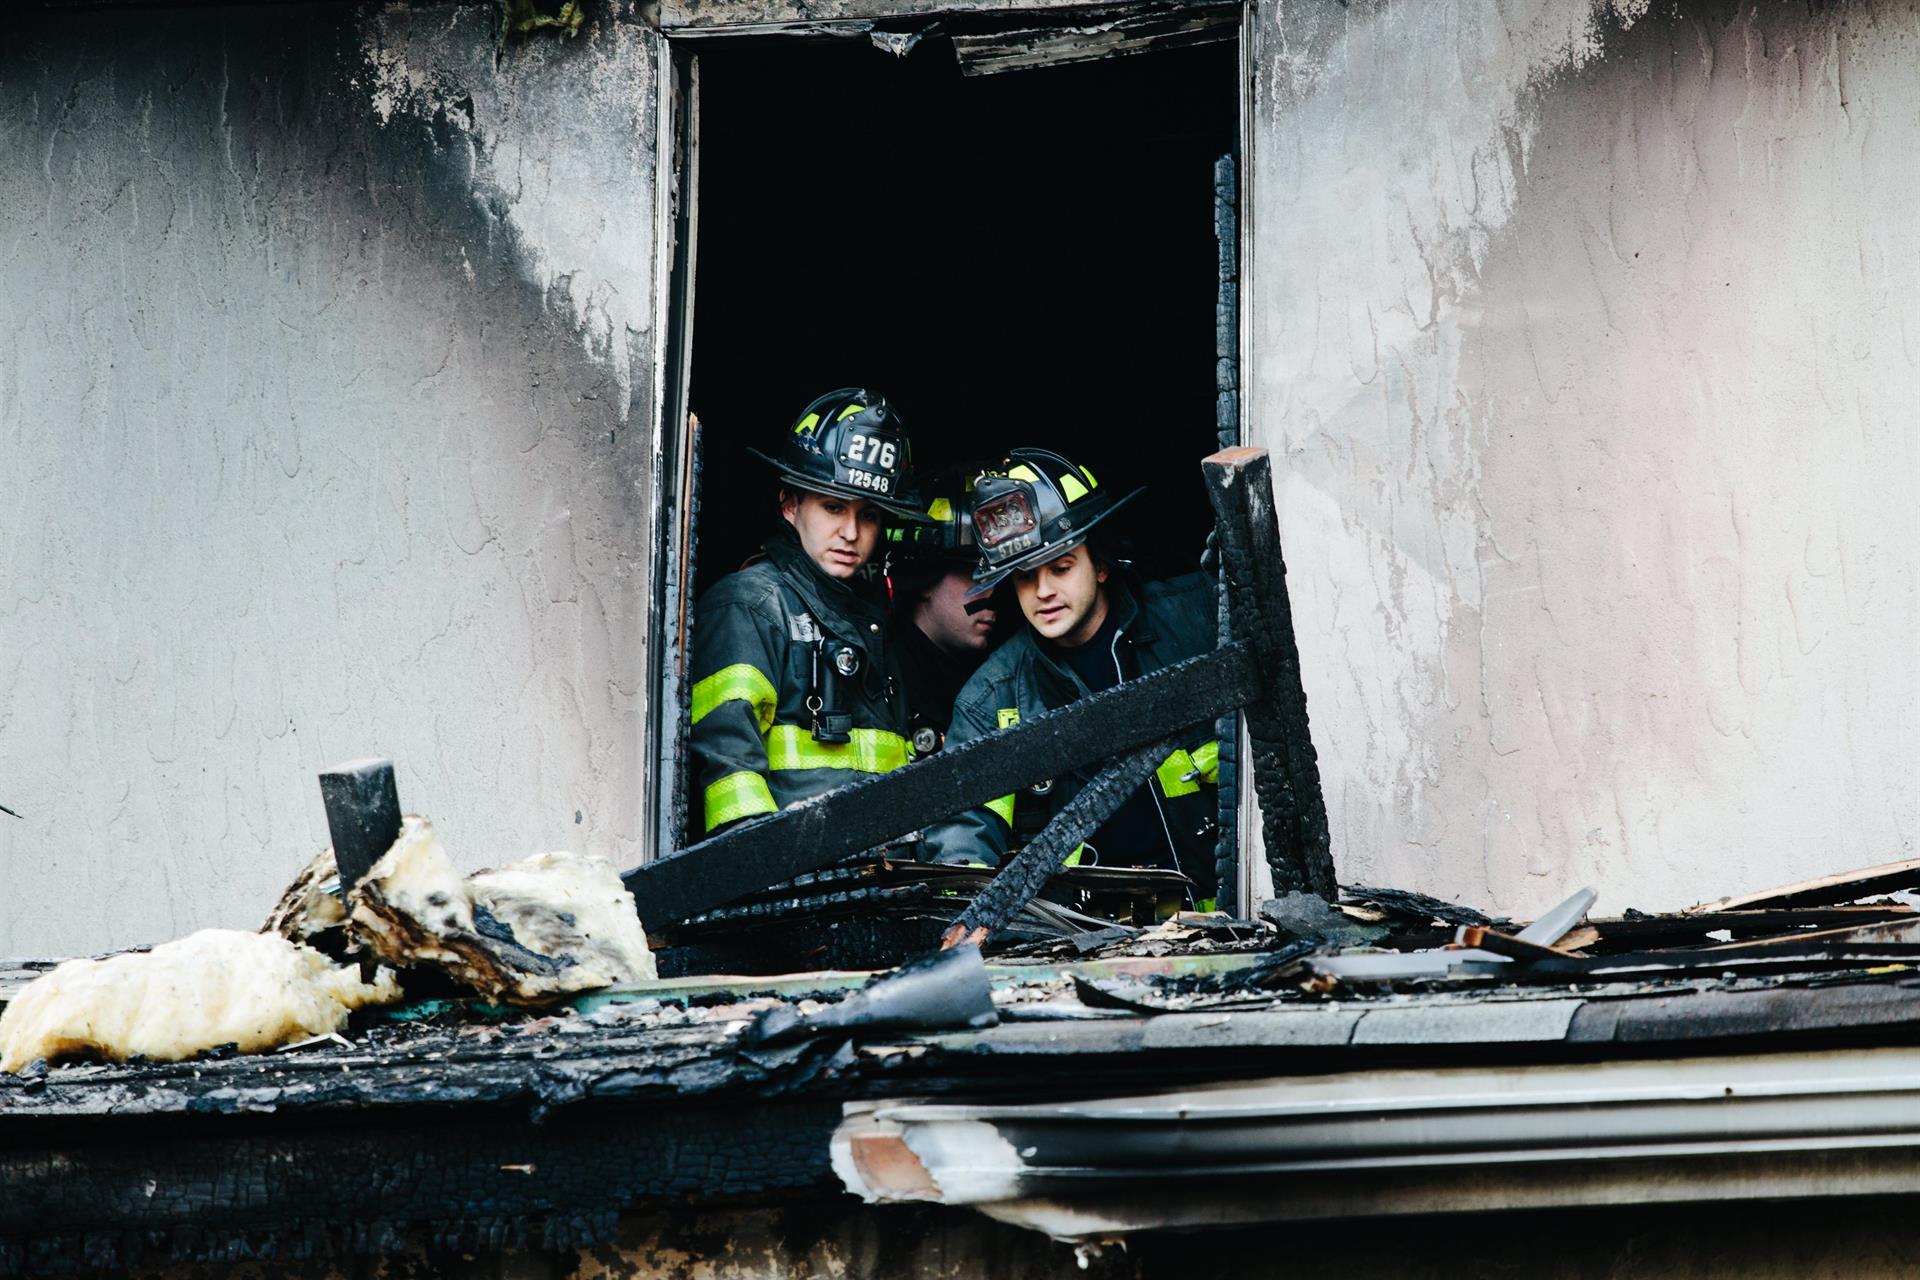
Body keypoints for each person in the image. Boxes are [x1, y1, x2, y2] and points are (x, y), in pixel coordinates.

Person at [921, 448, 1223, 907]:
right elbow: (962, 838)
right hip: (1081, 942)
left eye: (1061, 568)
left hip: (1223, 923)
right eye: (1023, 578)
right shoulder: (991, 699)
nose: (1043, 592)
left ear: (1100, 565)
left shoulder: (1196, 622)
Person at [687, 388, 931, 836]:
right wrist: (758, 877)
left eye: (870, 515)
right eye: (833, 507)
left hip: (876, 885)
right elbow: (729, 768)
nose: (851, 532)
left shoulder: (875, 622)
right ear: (790, 504)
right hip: (791, 890)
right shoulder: (750, 607)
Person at [885, 466, 1003, 757]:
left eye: (997, 579)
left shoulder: (1005, 668)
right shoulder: (881, 675)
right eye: (976, 576)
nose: (991, 595)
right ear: (925, 579)